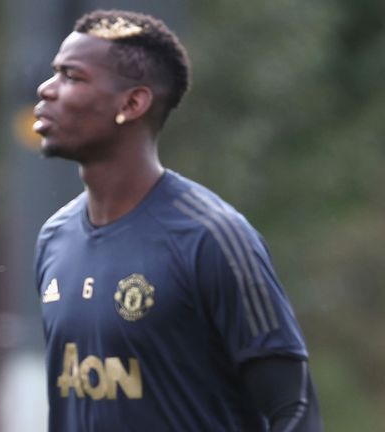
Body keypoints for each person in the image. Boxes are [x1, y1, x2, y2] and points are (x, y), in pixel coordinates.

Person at [33, 10, 322, 431]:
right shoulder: (54, 238)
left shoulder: (213, 238)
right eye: (53, 73)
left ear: (132, 103)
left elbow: (294, 409)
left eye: (71, 76)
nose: (46, 89)